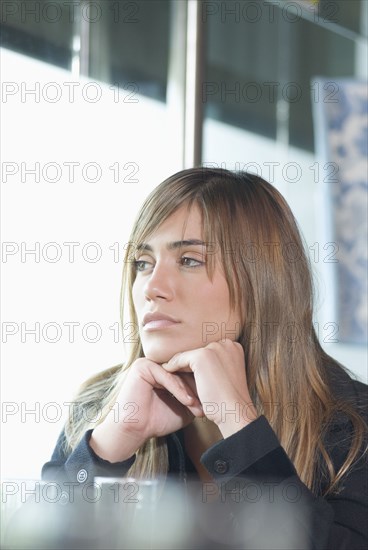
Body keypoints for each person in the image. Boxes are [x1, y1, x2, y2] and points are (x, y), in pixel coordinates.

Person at [41, 168, 367, 549]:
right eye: (143, 263)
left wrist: (240, 424)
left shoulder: (353, 422)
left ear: (260, 282)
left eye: (189, 260)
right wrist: (106, 450)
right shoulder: (100, 406)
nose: (152, 288)